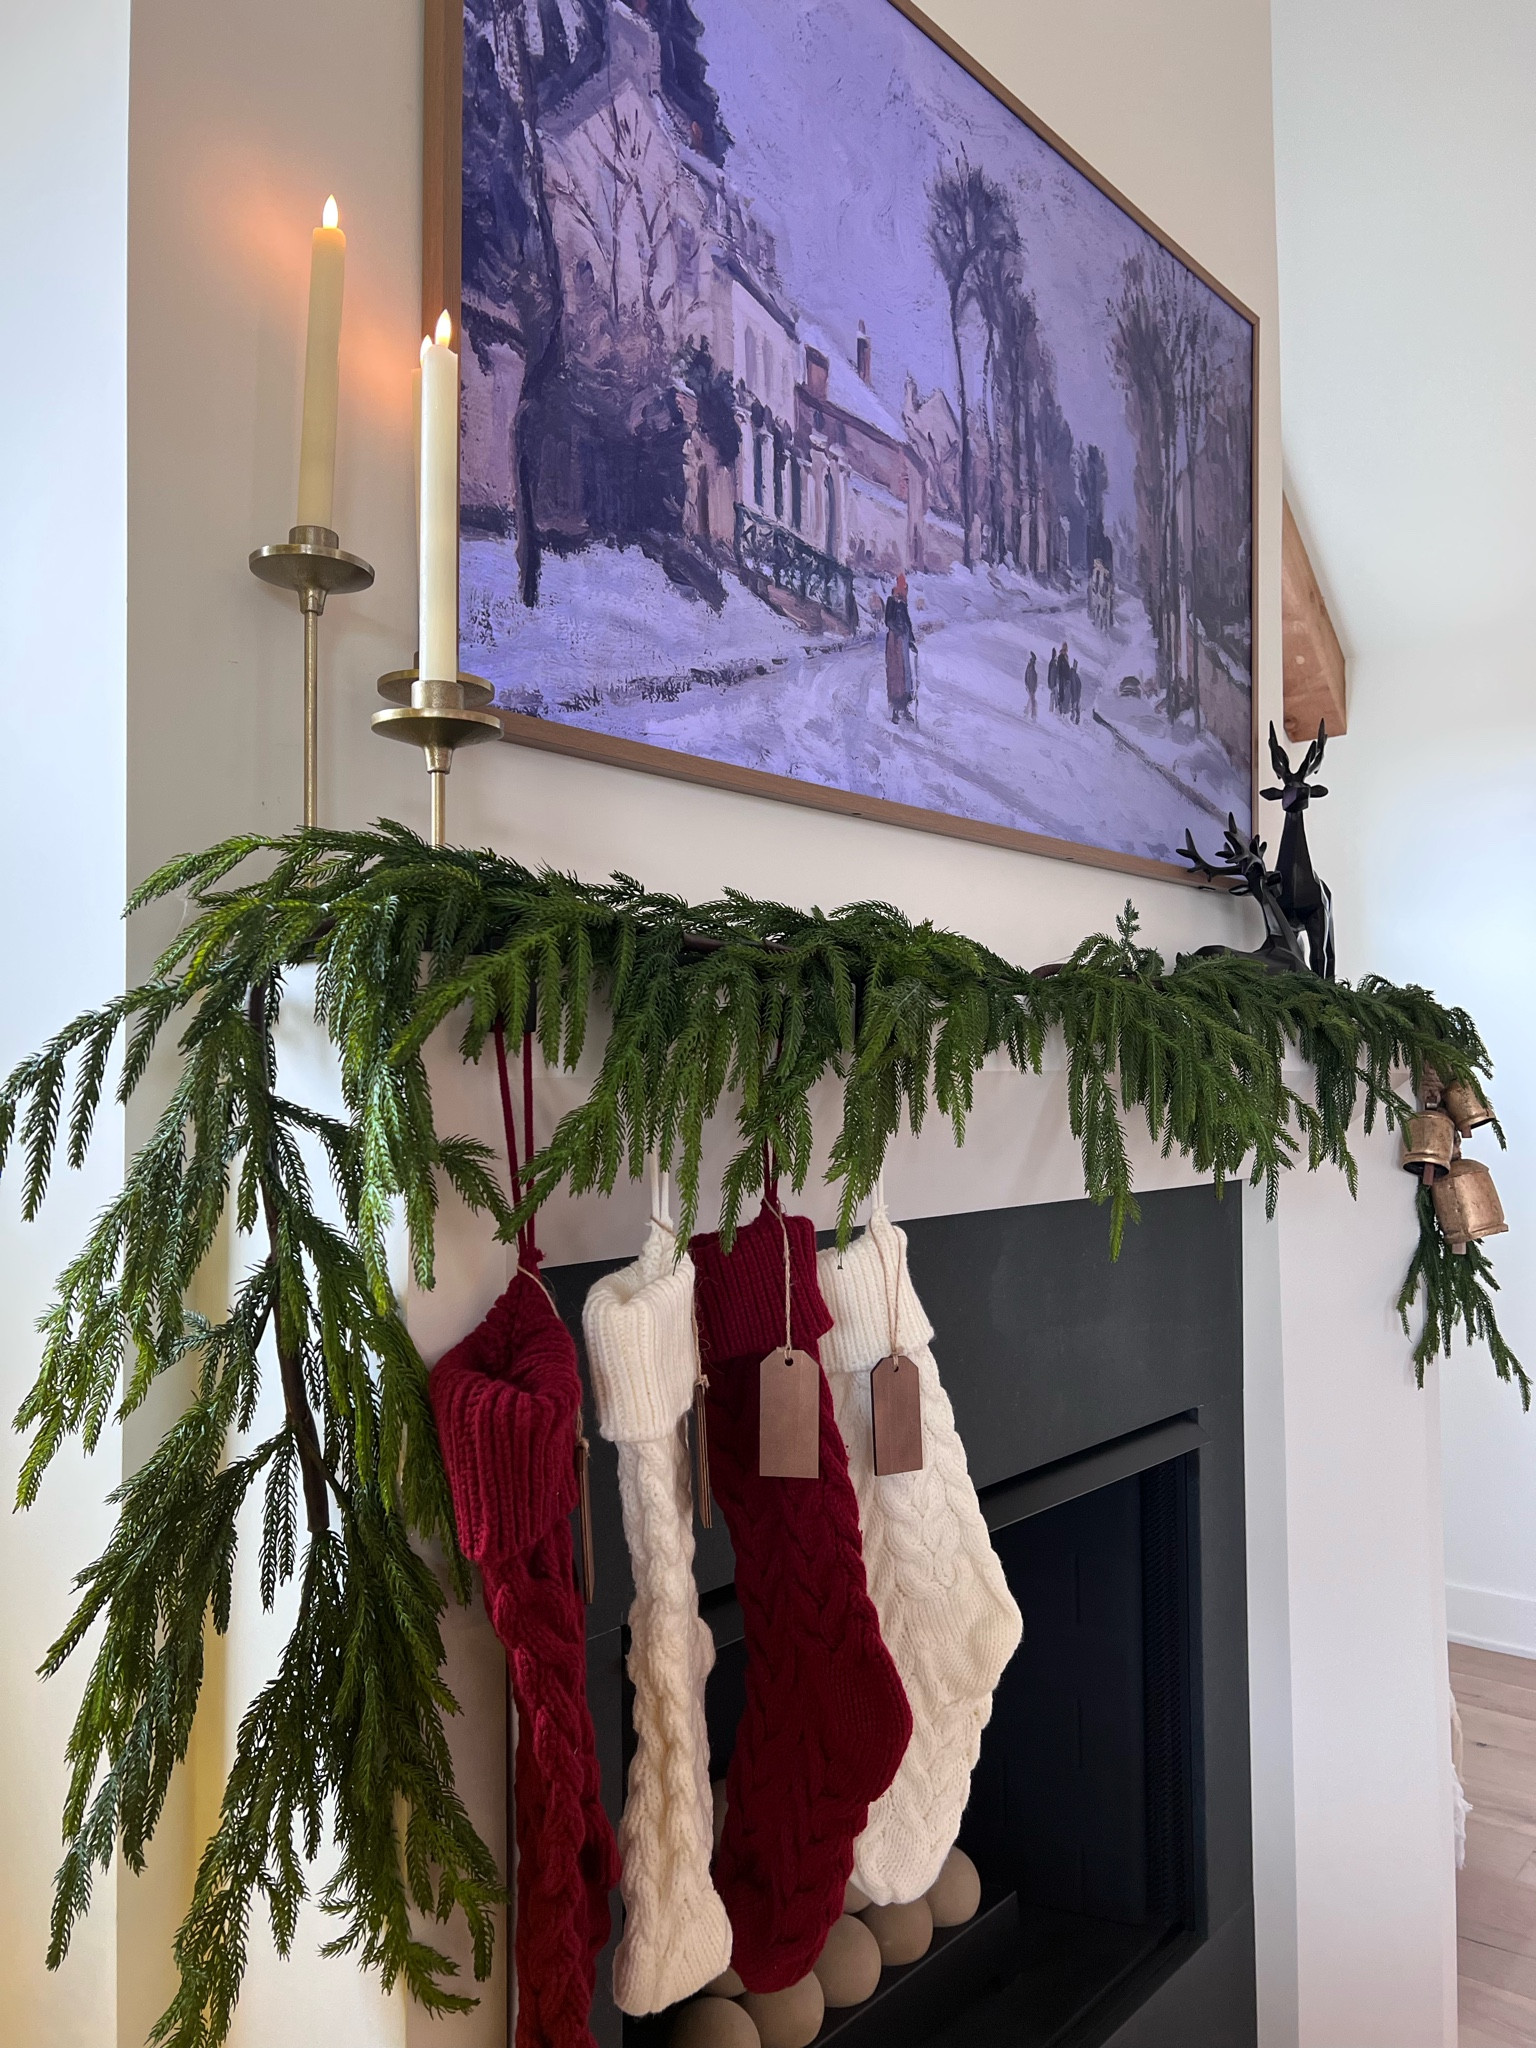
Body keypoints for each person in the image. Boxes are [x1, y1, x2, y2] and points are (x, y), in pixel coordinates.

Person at [884, 573, 916, 725]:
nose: (904, 592)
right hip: (894, 640)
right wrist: (899, 630)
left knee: (906, 673)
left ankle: (905, 707)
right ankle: (896, 710)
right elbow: (888, 621)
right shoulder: (891, 601)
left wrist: (911, 640)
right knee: (896, 673)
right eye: (903, 589)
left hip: (903, 639)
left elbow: (908, 622)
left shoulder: (903, 604)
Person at [1024, 649, 1038, 720]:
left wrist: (1034, 687)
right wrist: (1027, 684)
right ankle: (1032, 714)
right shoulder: (1030, 669)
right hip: (1030, 686)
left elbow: (1034, 679)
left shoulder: (1031, 669)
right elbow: (1027, 676)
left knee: (1032, 700)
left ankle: (1029, 712)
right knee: (1032, 700)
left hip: (1031, 687)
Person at [1068, 657, 1082, 725]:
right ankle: (1074, 720)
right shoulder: (1074, 676)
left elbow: (1077, 686)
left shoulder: (1074, 675)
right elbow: (1077, 686)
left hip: (1075, 695)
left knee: (1074, 708)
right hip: (1075, 695)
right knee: (1075, 708)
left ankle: (1074, 719)